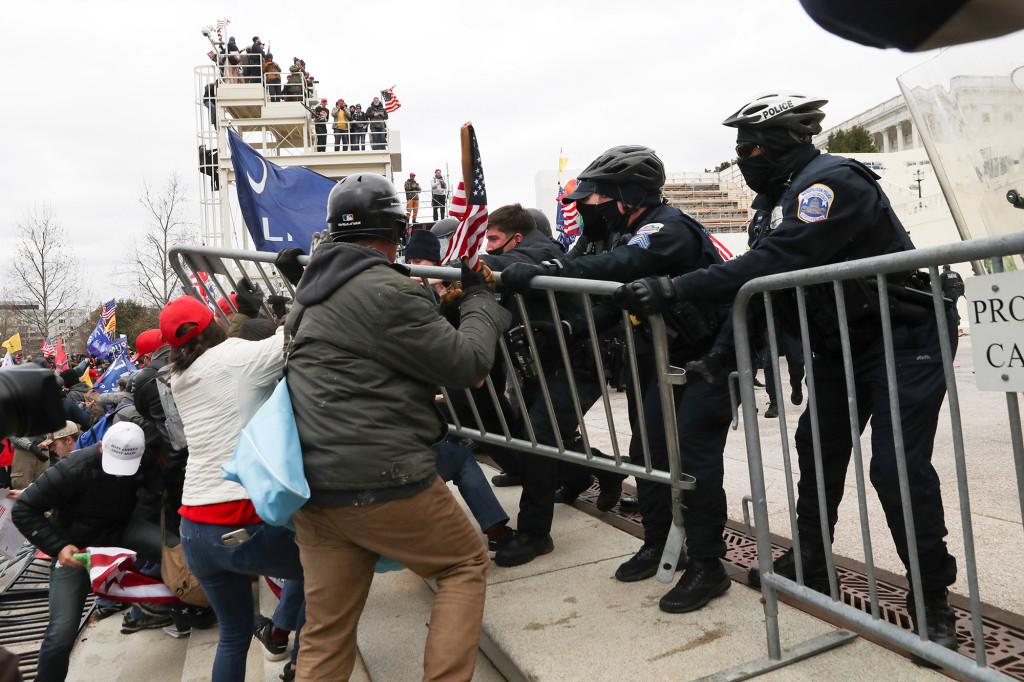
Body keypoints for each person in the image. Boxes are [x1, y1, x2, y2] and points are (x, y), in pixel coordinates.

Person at [615, 91, 961, 648]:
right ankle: (811, 557)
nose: (744, 157)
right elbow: (762, 297)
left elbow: (779, 262)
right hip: (838, 344)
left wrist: (676, 286)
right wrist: (722, 358)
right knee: (816, 450)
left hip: (902, 339)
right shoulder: (772, 202)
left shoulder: (833, 182)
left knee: (895, 467)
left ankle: (930, 598)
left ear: (780, 142)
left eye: (749, 147)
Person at [284, 172, 511, 681]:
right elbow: (468, 365)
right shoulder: (389, 290)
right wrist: (480, 303)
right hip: (381, 476)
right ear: (397, 230)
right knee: (463, 565)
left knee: (325, 629)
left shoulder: (309, 291)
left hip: (314, 484)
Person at [498, 146, 734, 616]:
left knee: (692, 462)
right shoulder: (628, 231)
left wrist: (548, 269)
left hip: (706, 364)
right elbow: (616, 298)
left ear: (626, 195)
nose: (586, 206)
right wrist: (571, 327)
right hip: (657, 363)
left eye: (594, 197)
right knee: (646, 455)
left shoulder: (666, 228)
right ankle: (659, 542)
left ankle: (709, 565)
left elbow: (621, 266)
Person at [160, 294, 304, 682]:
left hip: (194, 527)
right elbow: (296, 333)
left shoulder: (178, 377)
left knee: (234, 635)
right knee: (322, 567)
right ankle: (301, 668)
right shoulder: (235, 357)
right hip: (238, 515)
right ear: (213, 325)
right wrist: (303, 286)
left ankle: (284, 643)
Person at [13, 422, 167, 681]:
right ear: (101, 446)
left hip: (122, 527)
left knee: (181, 551)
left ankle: (196, 606)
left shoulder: (147, 459)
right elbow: (24, 509)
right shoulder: (73, 468)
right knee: (61, 633)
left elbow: (158, 489)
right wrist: (58, 546)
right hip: (77, 546)